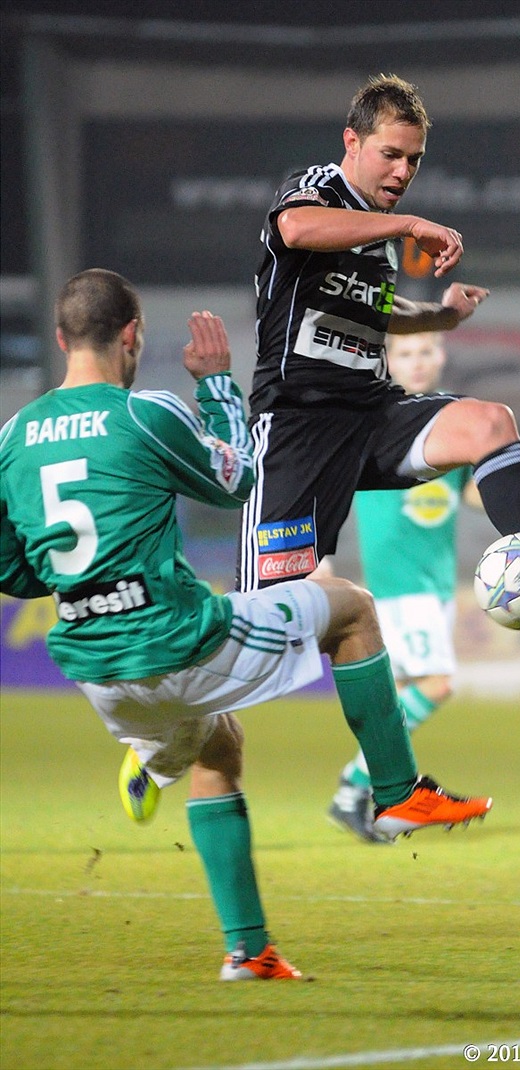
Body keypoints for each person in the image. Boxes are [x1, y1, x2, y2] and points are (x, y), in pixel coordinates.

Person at [0, 269, 493, 983]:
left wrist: (89, 583)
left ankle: (247, 948)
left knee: (218, 747)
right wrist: (218, 385)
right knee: (350, 606)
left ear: (59, 337)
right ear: (133, 335)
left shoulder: (14, 436)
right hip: (175, 641)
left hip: (95, 670)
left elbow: (12, 571)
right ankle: (394, 792)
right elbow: (238, 479)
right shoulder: (144, 415)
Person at [236, 72, 520, 656]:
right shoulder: (316, 190)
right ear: (352, 143)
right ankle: (154, 743)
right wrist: (409, 222)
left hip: (370, 414)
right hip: (296, 428)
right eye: (390, 155)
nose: (402, 172)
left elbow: (376, 311)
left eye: (414, 161)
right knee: (256, 639)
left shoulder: (378, 237)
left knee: (490, 424)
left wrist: (439, 318)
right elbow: (295, 228)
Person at [326, 332, 481, 842]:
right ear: (386, 360)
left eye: (426, 352)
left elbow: (476, 493)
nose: (416, 364)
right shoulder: (376, 421)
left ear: (441, 357)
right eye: (405, 354)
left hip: (434, 587)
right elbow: (327, 481)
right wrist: (321, 554)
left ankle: (359, 795)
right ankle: (354, 788)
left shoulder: (445, 426)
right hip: (401, 585)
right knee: (437, 685)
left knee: (396, 698)